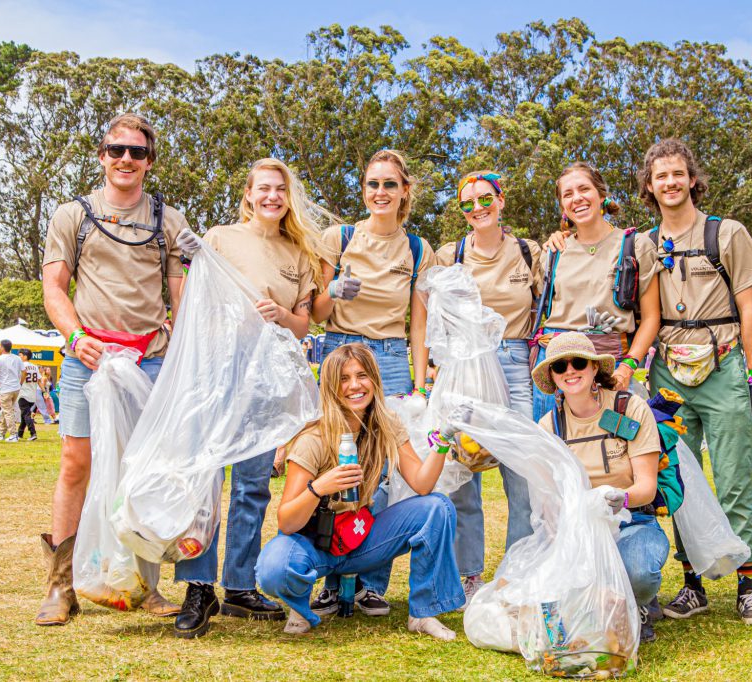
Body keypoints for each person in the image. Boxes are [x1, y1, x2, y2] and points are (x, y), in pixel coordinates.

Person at [37, 112, 186, 626]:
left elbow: (182, 289)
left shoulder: (168, 218)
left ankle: (146, 586)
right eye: (116, 150)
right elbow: (55, 286)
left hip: (151, 357)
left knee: (147, 467)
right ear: (102, 156)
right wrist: (75, 338)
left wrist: (186, 346)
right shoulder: (72, 215)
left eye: (137, 152)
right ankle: (61, 584)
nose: (126, 159)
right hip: (89, 356)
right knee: (77, 463)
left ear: (149, 161)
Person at [171, 158, 327, 637]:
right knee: (204, 483)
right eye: (264, 188)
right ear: (248, 194)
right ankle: (198, 587)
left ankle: (240, 584)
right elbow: (196, 298)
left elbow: (305, 324)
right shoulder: (219, 238)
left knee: (252, 486)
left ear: (288, 197)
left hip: (268, 382)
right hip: (218, 375)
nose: (272, 196)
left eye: (280, 189)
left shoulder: (298, 253)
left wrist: (281, 312)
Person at [634, 139, 752, 625]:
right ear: (649, 187)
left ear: (692, 178)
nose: (669, 183)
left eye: (677, 173)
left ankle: (747, 584)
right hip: (669, 369)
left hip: (724, 364)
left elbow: (750, 307)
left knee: (734, 477)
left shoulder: (727, 233)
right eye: (660, 176)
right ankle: (691, 584)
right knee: (676, 480)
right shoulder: (645, 244)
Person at [255, 343, 464, 639]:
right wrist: (319, 488)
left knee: (437, 508)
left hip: (359, 539)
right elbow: (287, 521)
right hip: (313, 545)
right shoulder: (313, 436)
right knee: (274, 568)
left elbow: (422, 483)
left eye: (362, 375)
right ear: (330, 386)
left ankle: (423, 613)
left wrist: (443, 437)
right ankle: (300, 607)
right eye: (343, 378)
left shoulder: (385, 424)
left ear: (374, 380)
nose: (355, 385)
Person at [433, 170, 540, 605]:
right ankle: (468, 575)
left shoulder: (531, 252)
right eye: (467, 203)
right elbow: (435, 320)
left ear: (501, 201)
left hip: (514, 366)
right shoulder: (449, 255)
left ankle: (517, 572)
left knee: (522, 476)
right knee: (462, 471)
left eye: (485, 199)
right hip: (465, 369)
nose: (477, 208)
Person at [532, 332, 668, 643]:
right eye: (559, 366)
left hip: (634, 519)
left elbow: (646, 486)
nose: (570, 371)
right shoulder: (548, 426)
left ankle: (639, 603)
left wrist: (617, 499)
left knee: (637, 572)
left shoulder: (629, 408)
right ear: (552, 377)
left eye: (578, 362)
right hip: (578, 530)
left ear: (595, 368)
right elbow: (549, 500)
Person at [537, 163, 661, 424]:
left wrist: (628, 368)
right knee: (554, 455)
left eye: (584, 189)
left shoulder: (635, 245)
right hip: (556, 368)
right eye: (568, 194)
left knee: (614, 453)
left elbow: (651, 318)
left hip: (610, 367)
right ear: (562, 206)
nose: (577, 198)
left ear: (601, 195)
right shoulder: (553, 252)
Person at [311, 149, 435, 397]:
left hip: (392, 358)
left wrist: (420, 389)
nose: (381, 192)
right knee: (338, 436)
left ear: (404, 190)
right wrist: (333, 291)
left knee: (393, 435)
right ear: (364, 190)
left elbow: (420, 328)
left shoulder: (418, 249)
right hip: (340, 352)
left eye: (390, 184)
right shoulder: (339, 238)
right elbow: (316, 314)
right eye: (373, 184)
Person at [0, 340, 24, 443]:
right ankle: (1, 433)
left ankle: (13, 434)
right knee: (6, 410)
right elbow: (24, 371)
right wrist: (20, 382)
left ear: (2, 348)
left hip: (6, 389)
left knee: (7, 412)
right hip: (16, 388)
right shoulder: (17, 358)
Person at [16, 350, 40, 441]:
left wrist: (19, 384)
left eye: (20, 355)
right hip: (32, 394)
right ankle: (20, 433)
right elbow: (39, 380)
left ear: (25, 356)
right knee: (24, 415)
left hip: (23, 393)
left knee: (26, 415)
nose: (19, 357)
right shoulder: (35, 367)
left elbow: (20, 376)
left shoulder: (21, 366)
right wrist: (44, 391)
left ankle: (33, 433)